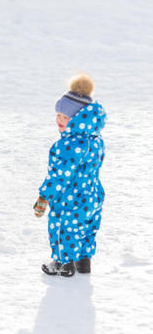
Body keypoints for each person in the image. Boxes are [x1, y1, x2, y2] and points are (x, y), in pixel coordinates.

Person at [34, 73, 106, 277]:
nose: (60, 120)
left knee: (63, 229)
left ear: (78, 121)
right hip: (92, 194)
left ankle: (63, 263)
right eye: (58, 115)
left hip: (70, 198)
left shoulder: (69, 145)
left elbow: (59, 176)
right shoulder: (95, 139)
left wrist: (44, 197)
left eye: (65, 117)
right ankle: (83, 261)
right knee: (85, 228)